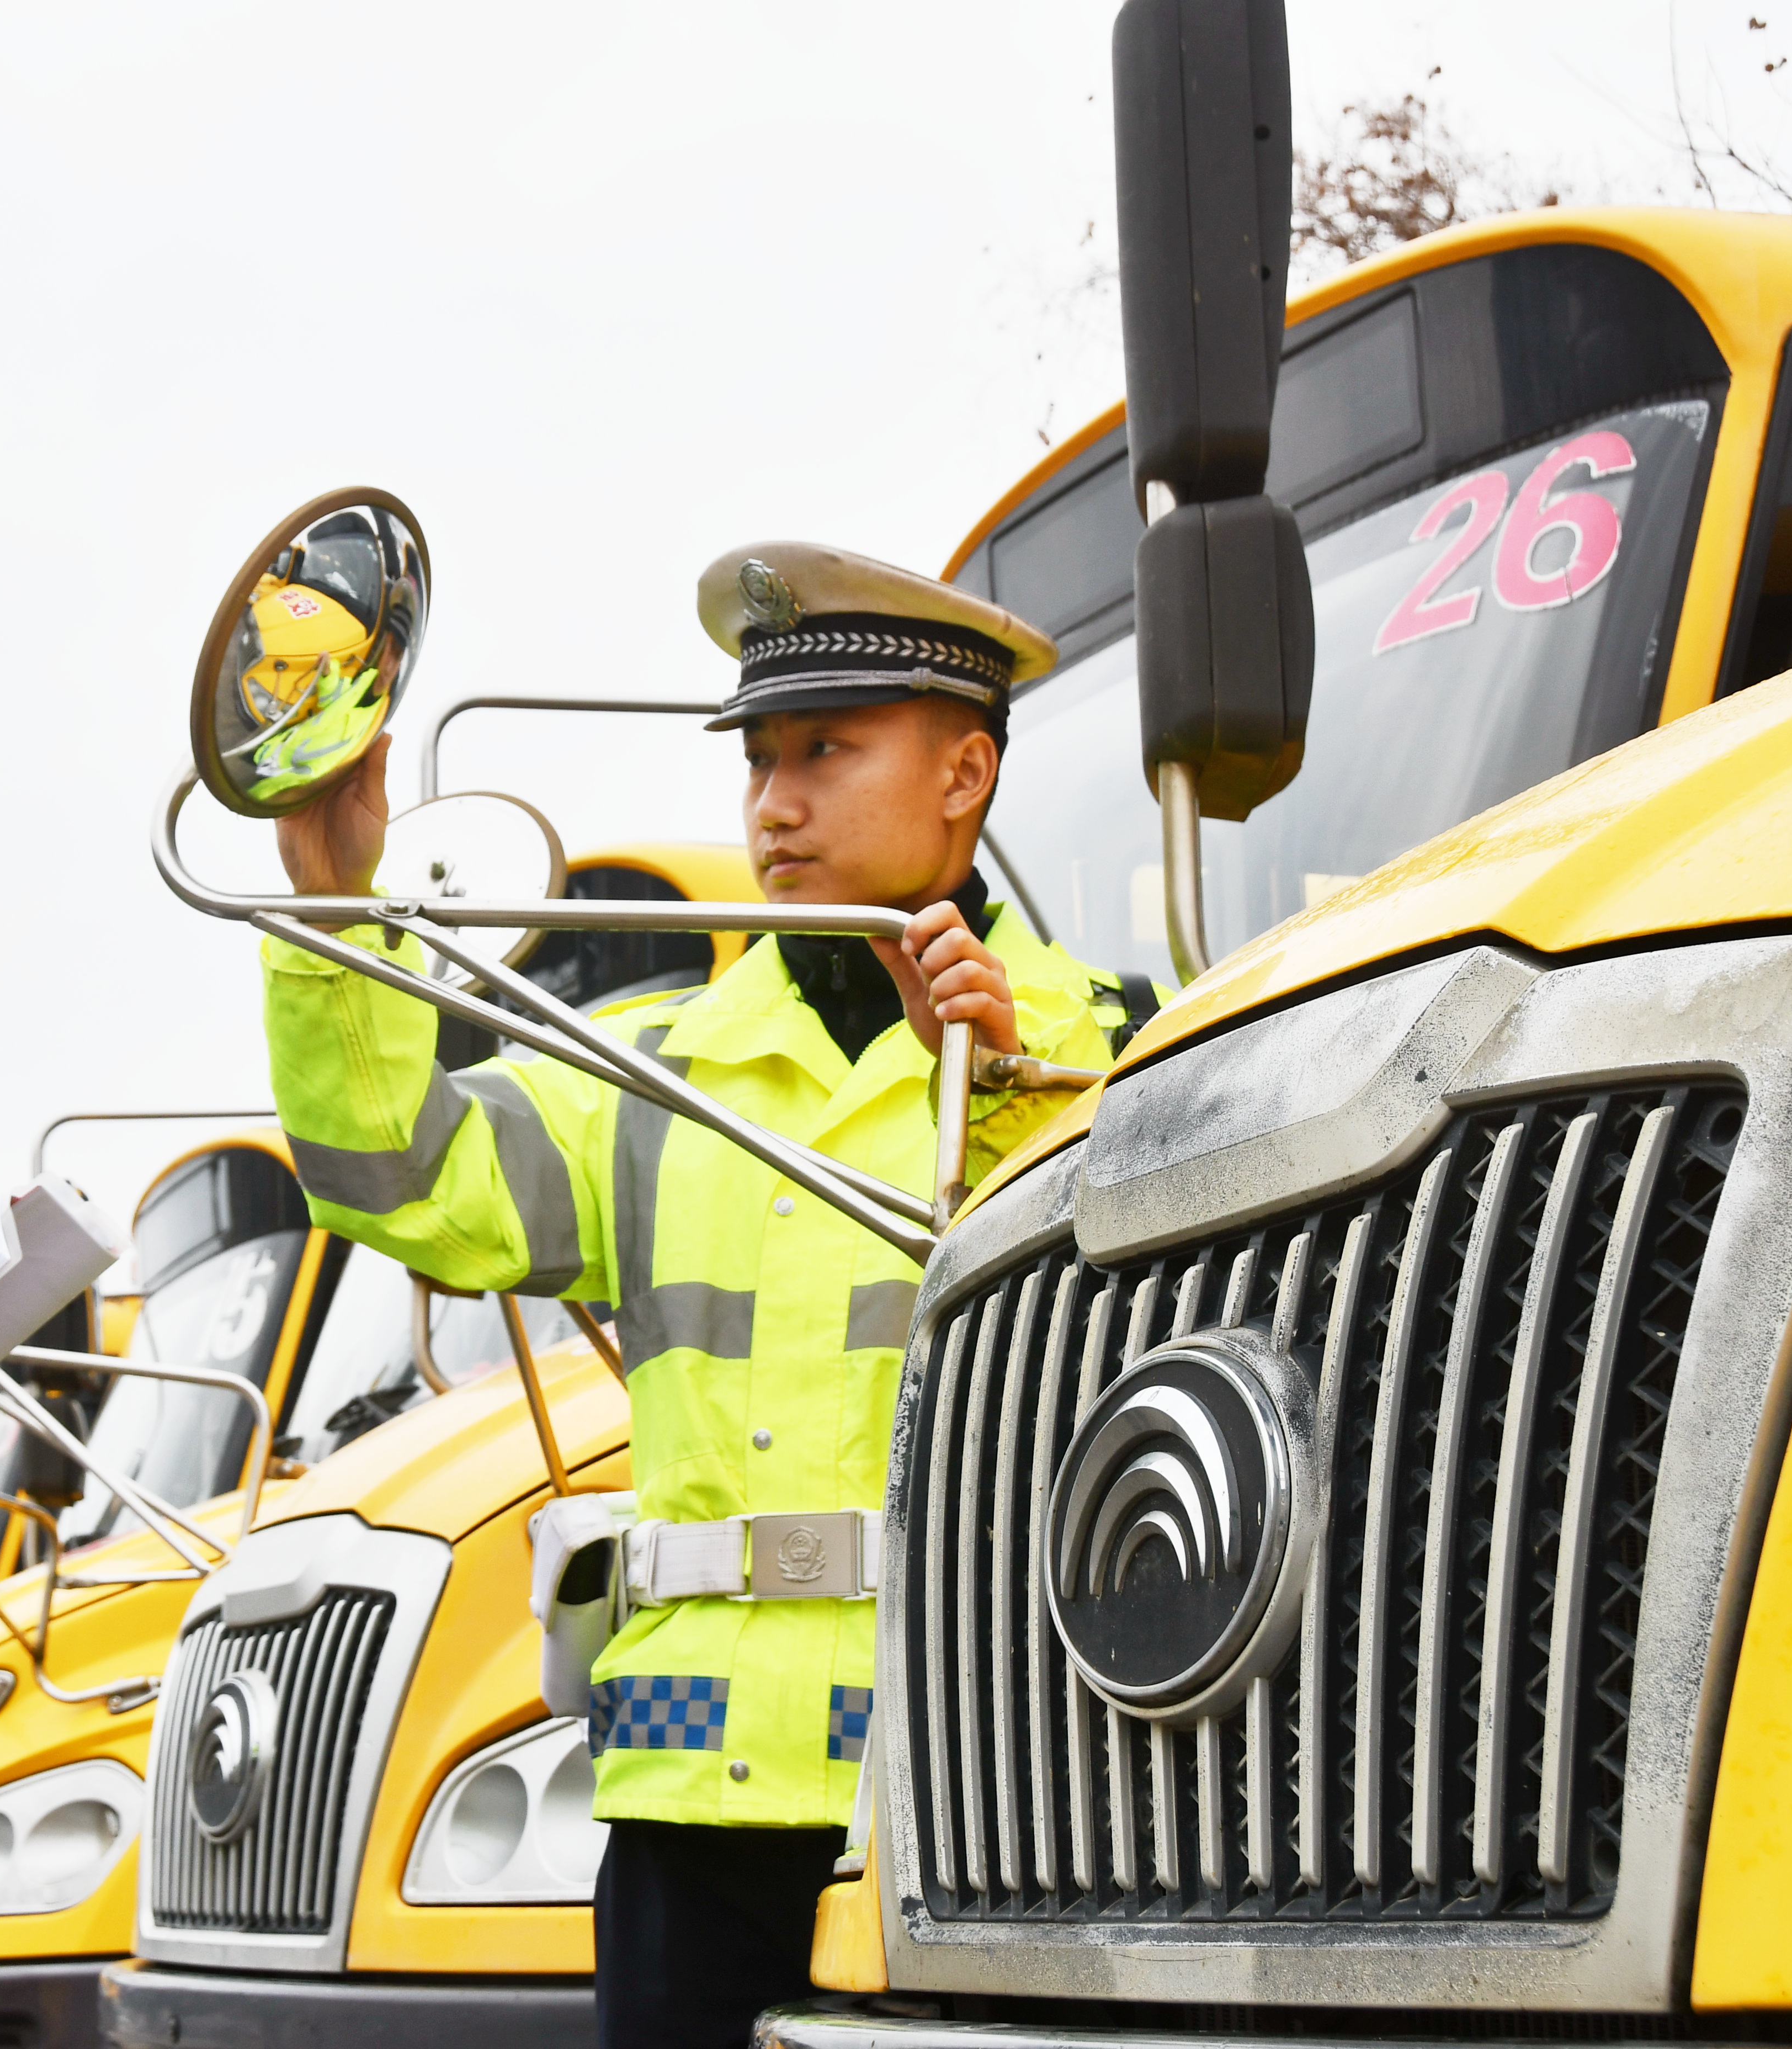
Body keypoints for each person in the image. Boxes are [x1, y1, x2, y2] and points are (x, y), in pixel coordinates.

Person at [262, 543, 1137, 2047]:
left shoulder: (1117, 1051)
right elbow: (395, 1179)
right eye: (759, 761)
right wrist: (343, 913)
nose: (775, 802)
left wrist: (997, 1097)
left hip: (989, 1780)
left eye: (826, 751)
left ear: (964, 773)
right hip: (687, 1806)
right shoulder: (652, 1075)